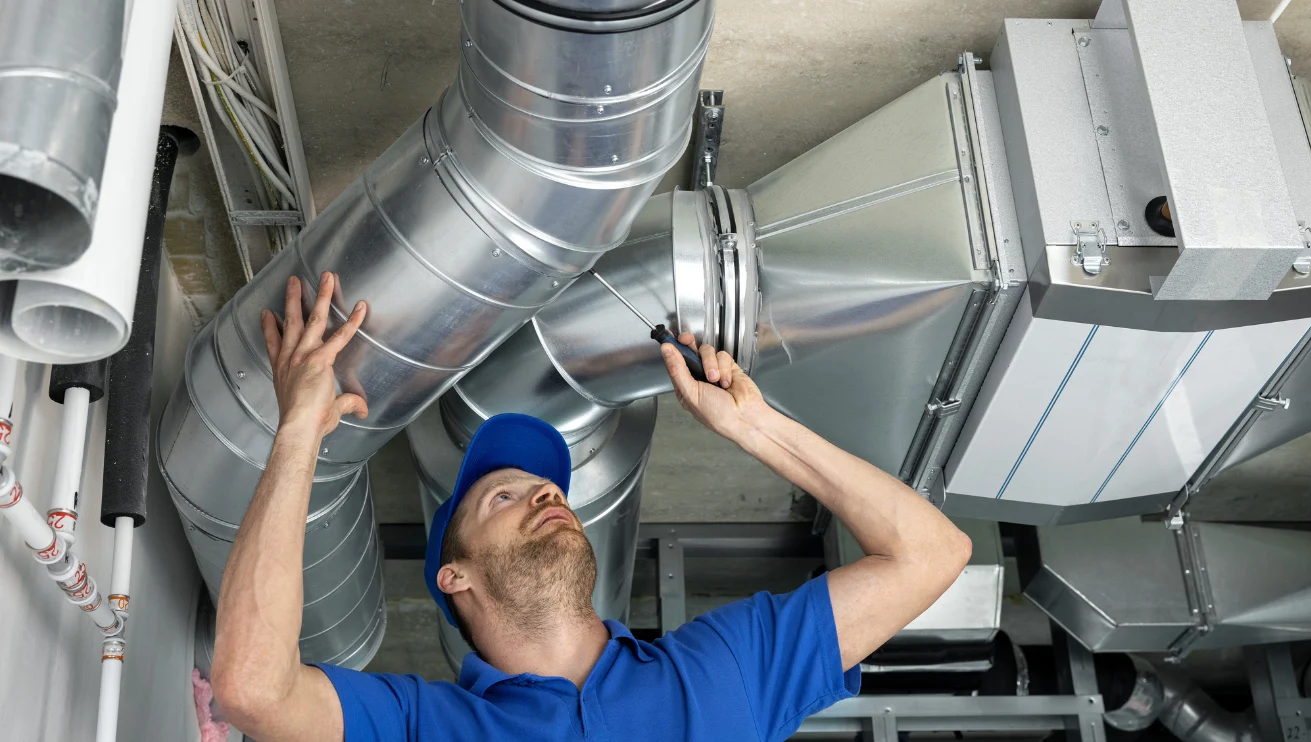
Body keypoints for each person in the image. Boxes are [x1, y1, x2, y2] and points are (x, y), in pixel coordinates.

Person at [210, 271, 973, 741]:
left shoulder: (724, 670)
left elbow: (931, 553)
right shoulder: (421, 725)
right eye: (503, 496)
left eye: (545, 489)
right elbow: (252, 689)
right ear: (456, 577)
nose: (547, 491)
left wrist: (754, 425)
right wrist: (300, 435)